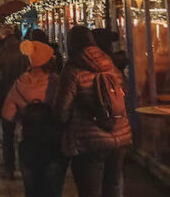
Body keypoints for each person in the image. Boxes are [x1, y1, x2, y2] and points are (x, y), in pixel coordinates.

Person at [54, 26, 132, 197]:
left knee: (90, 190)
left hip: (88, 140)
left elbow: (62, 111)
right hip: (119, 136)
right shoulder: (111, 65)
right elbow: (124, 97)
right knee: (113, 185)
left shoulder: (73, 70)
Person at [2, 40, 67, 197]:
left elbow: (7, 114)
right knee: (53, 189)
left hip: (29, 142)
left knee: (32, 190)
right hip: (54, 143)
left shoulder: (20, 83)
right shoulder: (57, 83)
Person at [0, 27, 27, 179]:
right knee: (25, 132)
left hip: (6, 96)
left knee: (7, 134)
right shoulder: (25, 50)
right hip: (25, 95)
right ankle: (25, 165)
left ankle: (9, 168)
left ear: (3, 36)